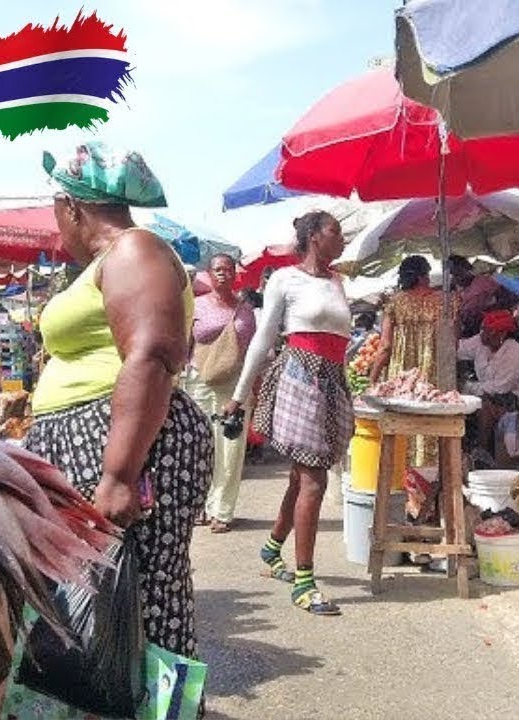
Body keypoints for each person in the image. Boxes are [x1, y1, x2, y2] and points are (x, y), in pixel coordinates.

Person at [24, 142, 211, 657]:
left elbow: (152, 352)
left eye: (56, 213)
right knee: (95, 607)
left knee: (139, 600)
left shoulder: (135, 249)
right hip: (97, 438)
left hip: (115, 442)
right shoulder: (114, 259)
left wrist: (119, 475)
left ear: (71, 207)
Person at [222, 210, 352, 617]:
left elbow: (339, 338)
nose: (342, 239)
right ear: (314, 237)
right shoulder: (284, 279)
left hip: (332, 381)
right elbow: (262, 340)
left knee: (303, 475)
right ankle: (304, 582)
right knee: (313, 479)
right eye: (336, 232)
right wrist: (240, 397)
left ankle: (273, 546)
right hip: (298, 377)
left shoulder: (338, 282)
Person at [184, 253, 257, 534]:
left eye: (228, 269)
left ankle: (223, 511)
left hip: (235, 386)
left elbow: (255, 353)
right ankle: (200, 505)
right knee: (202, 445)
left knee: (231, 447)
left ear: (235, 274)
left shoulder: (246, 311)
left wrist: (253, 389)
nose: (223, 273)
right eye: (218, 269)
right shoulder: (196, 306)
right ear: (209, 275)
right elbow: (184, 346)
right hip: (198, 381)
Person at [369, 254, 447, 466]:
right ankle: (428, 475)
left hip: (403, 375)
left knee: (403, 420)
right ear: (423, 276)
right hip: (434, 373)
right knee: (432, 419)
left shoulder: (394, 303)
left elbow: (385, 347)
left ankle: (402, 473)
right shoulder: (444, 302)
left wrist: (372, 379)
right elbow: (453, 342)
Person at [457, 309, 519, 466]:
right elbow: (459, 349)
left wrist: (466, 387)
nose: (482, 334)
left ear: (501, 334)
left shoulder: (514, 352)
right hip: (496, 391)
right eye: (482, 329)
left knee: (485, 405)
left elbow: (500, 387)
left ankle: (482, 451)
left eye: (488, 331)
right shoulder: (480, 342)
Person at [446, 255, 516, 338]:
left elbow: (510, 299)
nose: (457, 278)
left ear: (468, 269)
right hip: (464, 331)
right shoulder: (454, 288)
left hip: (484, 330)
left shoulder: (483, 282)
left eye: (459, 274)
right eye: (453, 275)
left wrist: (485, 312)